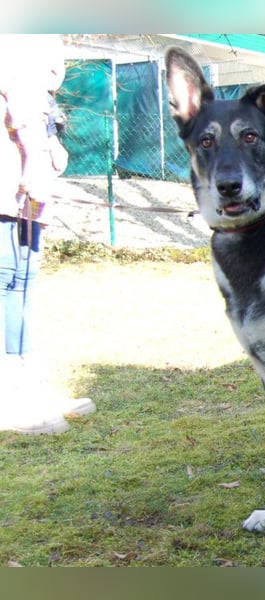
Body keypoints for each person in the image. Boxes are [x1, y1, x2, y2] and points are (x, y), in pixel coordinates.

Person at [0, 34, 95, 434]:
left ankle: (26, 382)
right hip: (10, 186)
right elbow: (20, 111)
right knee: (5, 279)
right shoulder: (16, 56)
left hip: (30, 193)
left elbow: (37, 118)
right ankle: (8, 397)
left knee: (25, 279)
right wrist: (35, 165)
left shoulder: (40, 81)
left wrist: (50, 149)